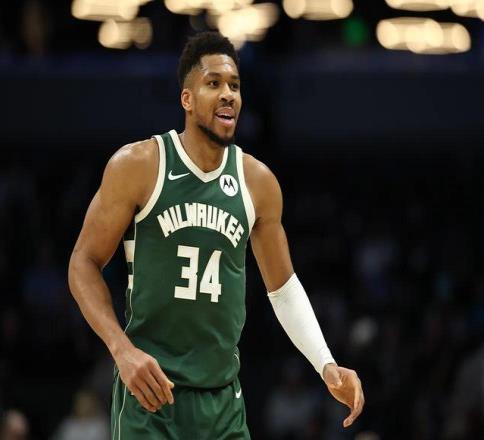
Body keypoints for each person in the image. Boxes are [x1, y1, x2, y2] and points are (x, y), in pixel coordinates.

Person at [68, 31, 365, 439]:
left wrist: (325, 363)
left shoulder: (257, 182)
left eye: (235, 86)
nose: (228, 94)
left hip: (222, 402)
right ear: (187, 99)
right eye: (213, 83)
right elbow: (82, 263)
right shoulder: (138, 165)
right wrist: (121, 350)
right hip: (150, 397)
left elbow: (283, 289)